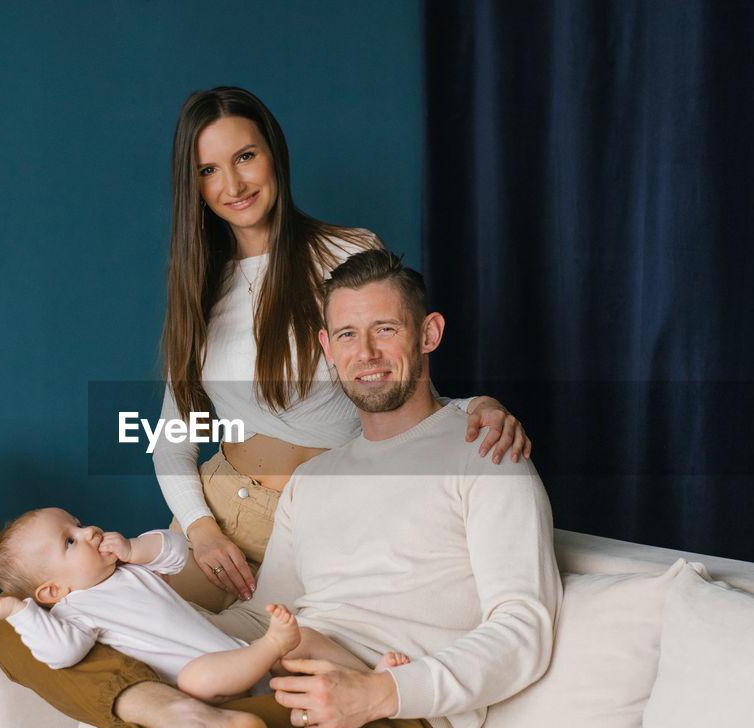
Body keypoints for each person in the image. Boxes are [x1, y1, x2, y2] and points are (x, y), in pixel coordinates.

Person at [0, 247, 561, 728]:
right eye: (347, 334)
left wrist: (380, 692)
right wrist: (140, 612)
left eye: (384, 330)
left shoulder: (486, 453)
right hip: (276, 680)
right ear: (326, 346)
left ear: (428, 333)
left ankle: (185, 724)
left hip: (390, 727)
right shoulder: (316, 479)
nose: (364, 354)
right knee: (16, 619)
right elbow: (265, 612)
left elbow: (525, 627)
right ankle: (176, 716)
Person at [151, 86, 532, 612]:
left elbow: (397, 384)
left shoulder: (347, 251)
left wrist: (476, 407)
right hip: (222, 514)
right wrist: (200, 529)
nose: (233, 184)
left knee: (290, 672)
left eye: (245, 157)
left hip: (331, 515)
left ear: (273, 155)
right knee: (123, 639)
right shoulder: (196, 286)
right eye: (208, 170)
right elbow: (173, 438)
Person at [0, 508, 409, 709]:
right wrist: (17, 613)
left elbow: (179, 552)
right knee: (203, 674)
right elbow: (60, 652)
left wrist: (137, 548)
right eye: (70, 541)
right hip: (205, 685)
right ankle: (273, 647)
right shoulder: (75, 613)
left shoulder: (124, 568)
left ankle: (372, 679)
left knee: (308, 639)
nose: (88, 533)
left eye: (78, 525)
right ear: (50, 592)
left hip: (240, 655)